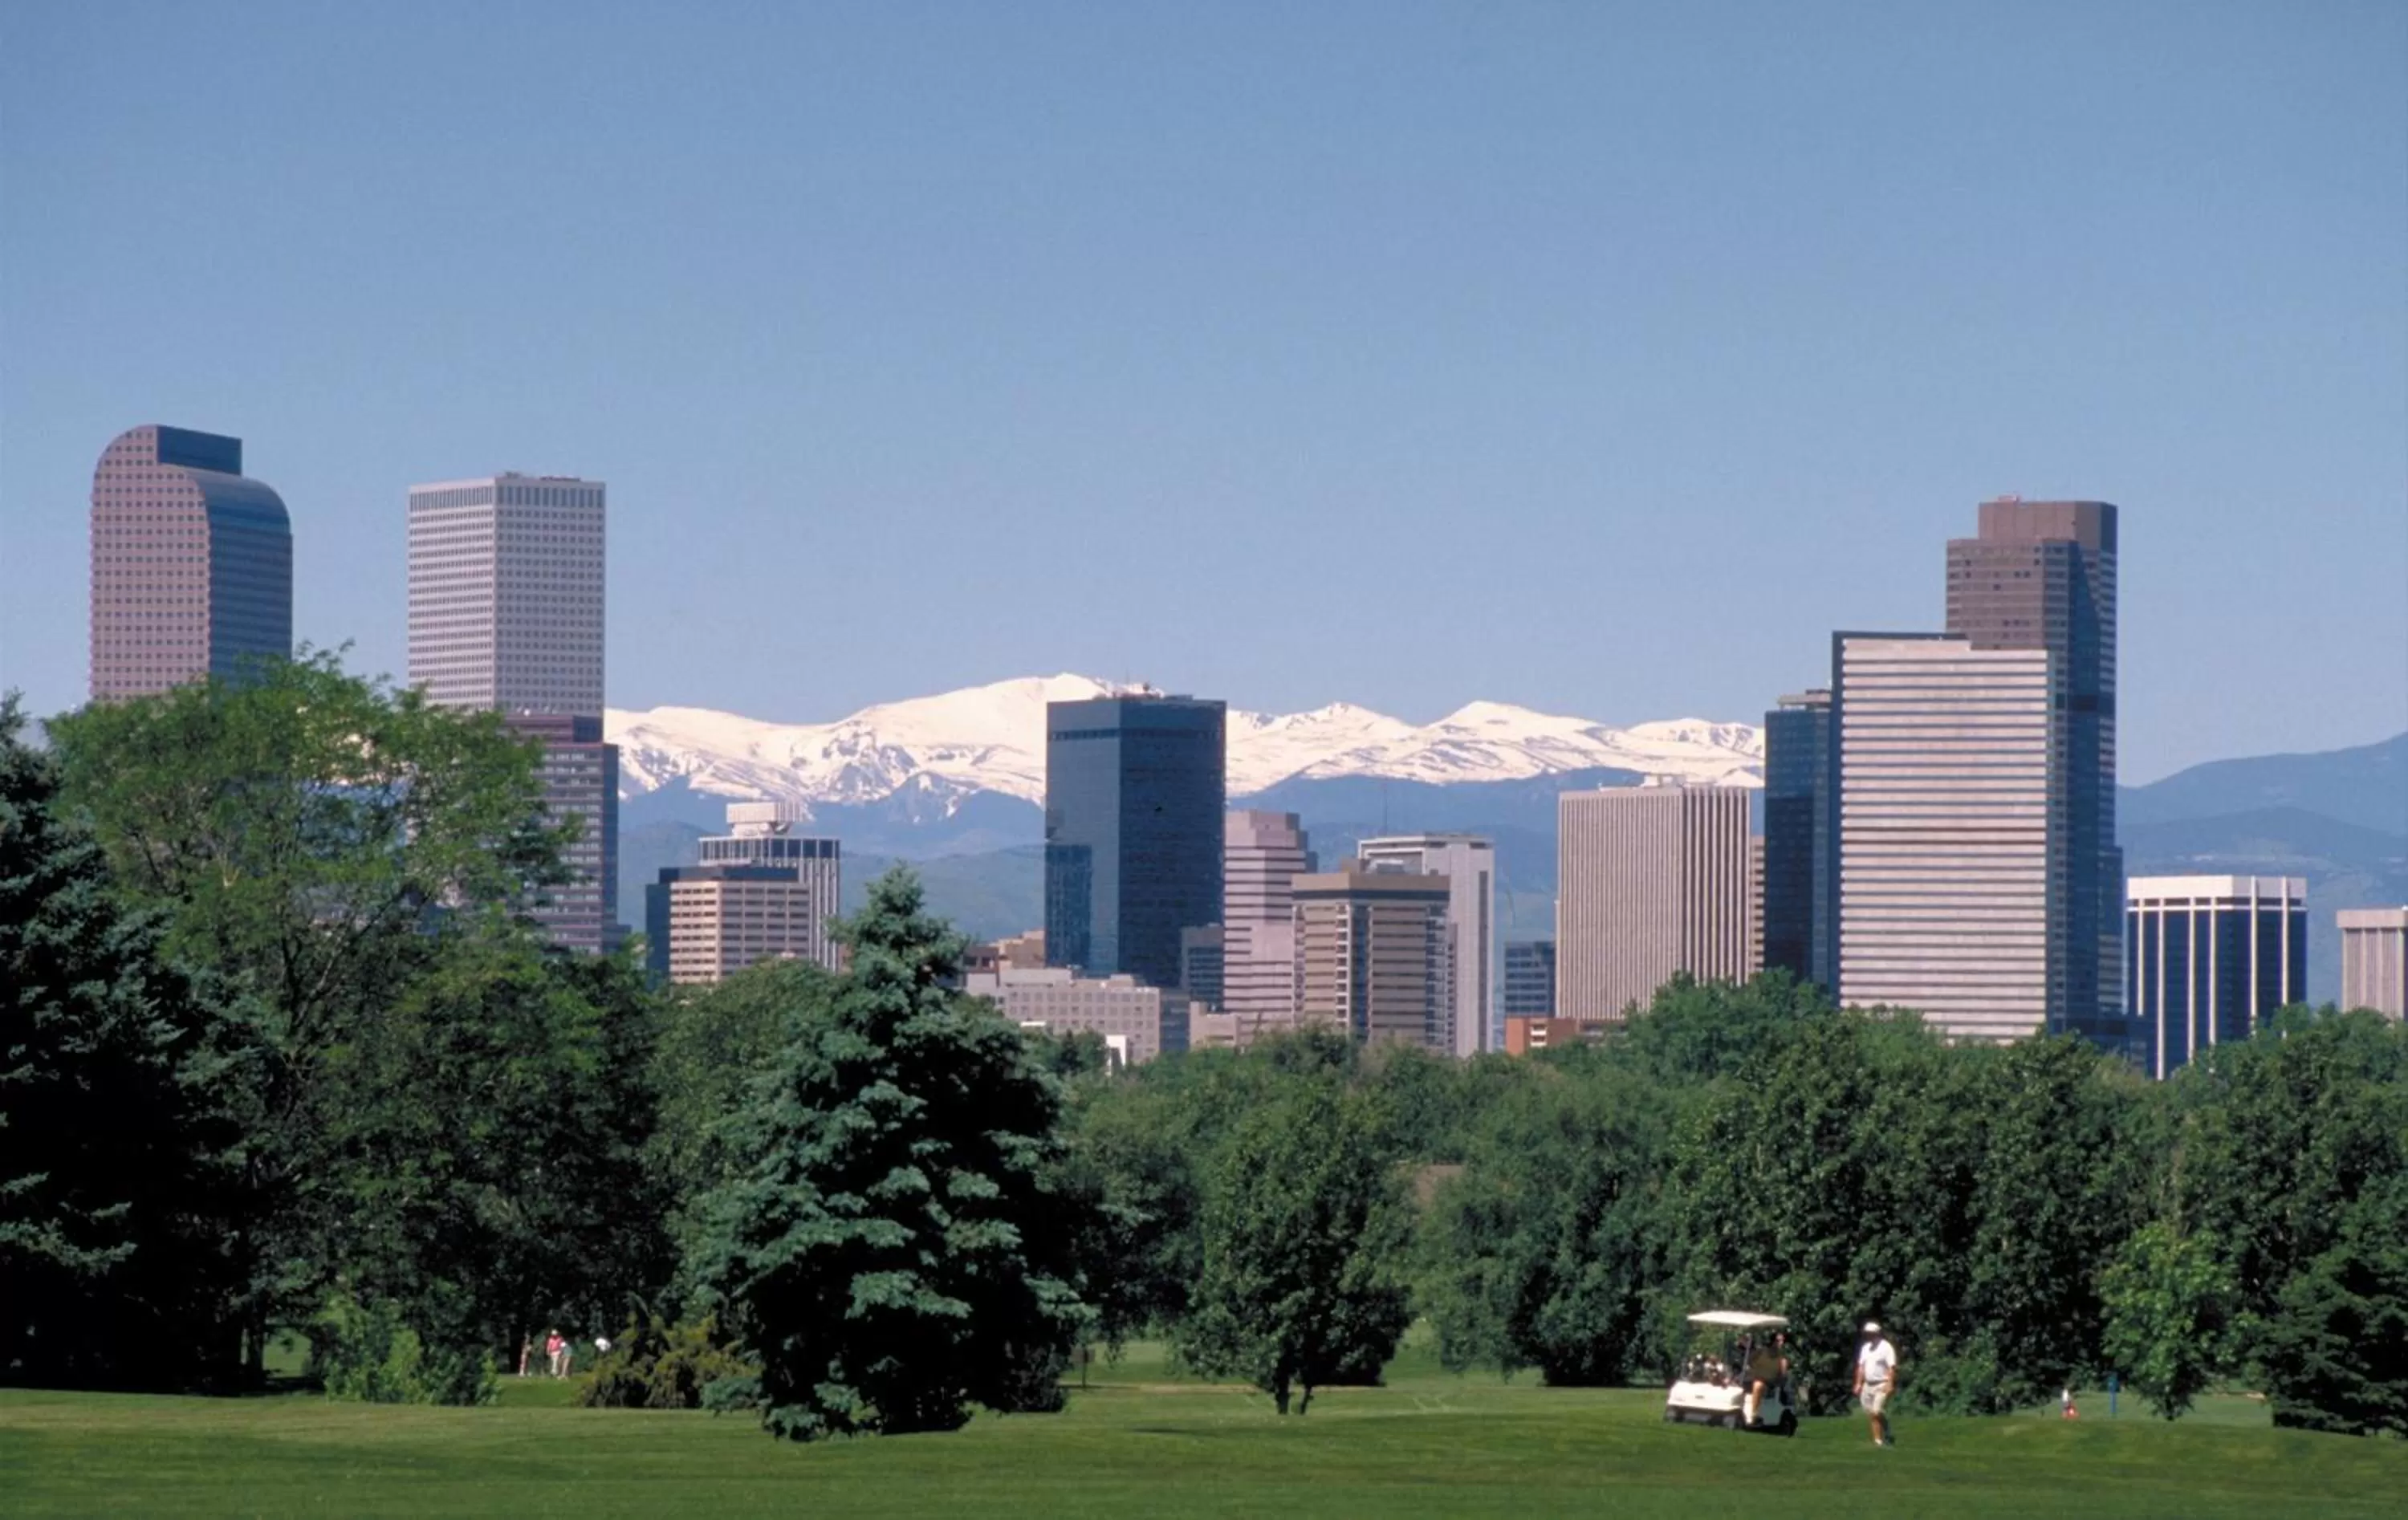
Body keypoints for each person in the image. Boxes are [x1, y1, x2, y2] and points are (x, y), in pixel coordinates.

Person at [1854, 1321, 1898, 1447]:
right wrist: (1858, 1383)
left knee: (1876, 1411)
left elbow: (1891, 1367)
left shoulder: (1886, 1347)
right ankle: (1882, 1435)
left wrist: (1890, 1383)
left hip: (1881, 1383)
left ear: (1876, 1333)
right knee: (1871, 1413)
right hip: (1868, 1385)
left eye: (1870, 1333)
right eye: (1866, 1333)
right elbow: (1861, 1367)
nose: (1868, 1335)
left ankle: (1880, 1438)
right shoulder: (1865, 1348)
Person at [1746, 1331, 1789, 1427]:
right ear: (1772, 1341)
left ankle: (1754, 1416)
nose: (1781, 1343)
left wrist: (1778, 1382)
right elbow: (1748, 1362)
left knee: (1758, 1386)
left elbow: (1783, 1376)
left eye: (1782, 1341)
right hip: (1751, 1380)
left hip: (1769, 1386)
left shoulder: (1782, 1358)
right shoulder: (1761, 1352)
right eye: (1778, 1341)